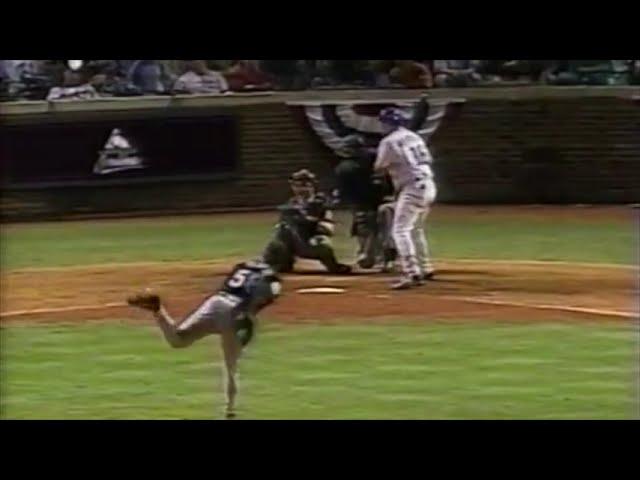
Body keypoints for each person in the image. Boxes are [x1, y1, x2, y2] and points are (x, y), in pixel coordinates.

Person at [126, 258, 282, 419]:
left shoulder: (244, 266)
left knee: (178, 339)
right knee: (231, 368)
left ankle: (158, 310)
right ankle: (230, 411)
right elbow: (259, 301)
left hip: (215, 302)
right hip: (234, 313)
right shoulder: (271, 278)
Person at [374, 108, 437, 290]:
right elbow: (427, 159)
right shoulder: (414, 136)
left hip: (412, 187)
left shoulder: (389, 141)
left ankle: (412, 272)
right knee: (415, 229)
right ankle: (426, 267)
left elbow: (379, 166)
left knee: (400, 231)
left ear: (388, 123)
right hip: (428, 184)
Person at [262, 169, 352, 275]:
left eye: (304, 185)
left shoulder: (320, 201)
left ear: (312, 186)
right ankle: (279, 262)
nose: (300, 189)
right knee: (277, 239)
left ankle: (333, 265)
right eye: (297, 185)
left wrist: (307, 222)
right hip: (293, 241)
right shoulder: (291, 203)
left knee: (323, 245)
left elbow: (327, 228)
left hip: (311, 240)